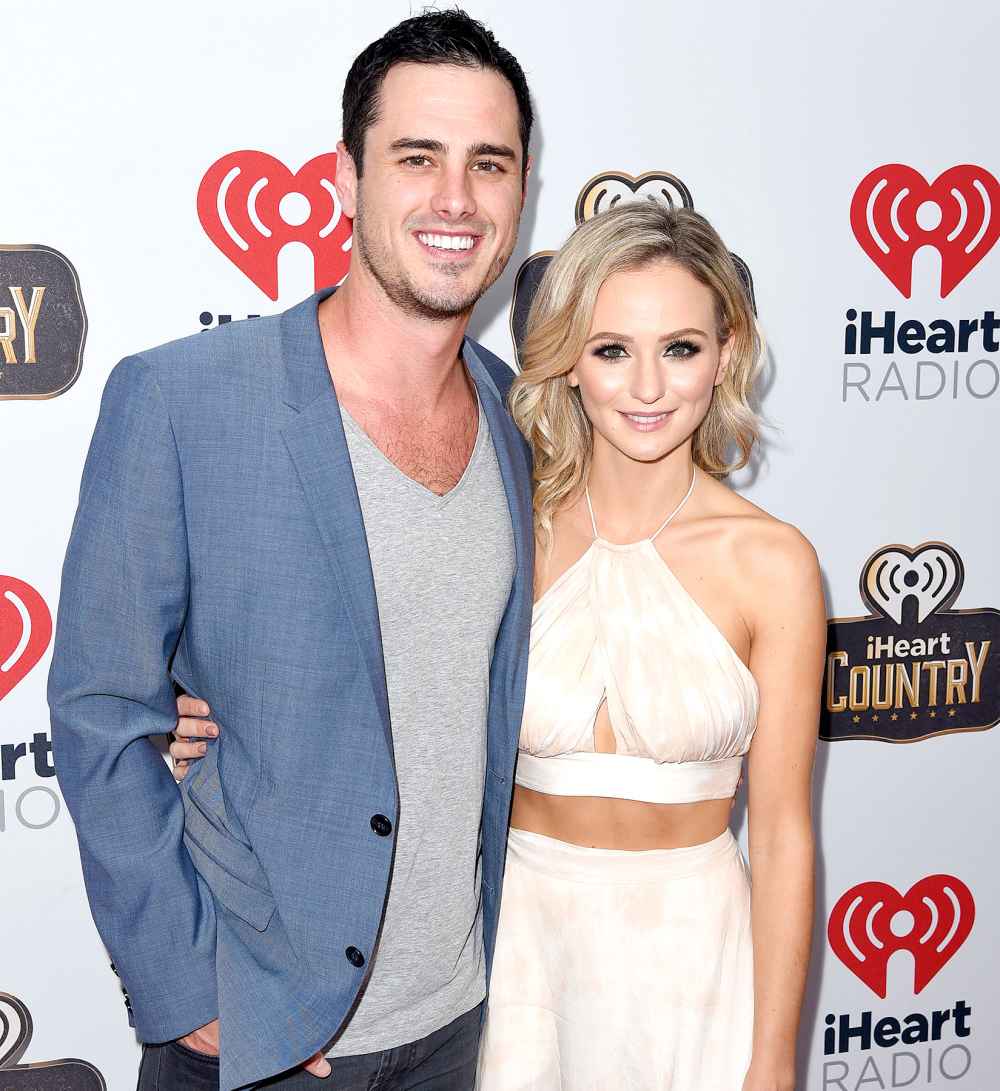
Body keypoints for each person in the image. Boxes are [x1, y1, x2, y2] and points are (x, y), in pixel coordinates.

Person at [175, 201, 825, 1090]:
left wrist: (774, 1057)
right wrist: (202, 717)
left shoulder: (773, 562)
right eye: (610, 350)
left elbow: (785, 831)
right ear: (567, 363)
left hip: (696, 958)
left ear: (726, 356)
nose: (646, 387)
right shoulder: (507, 525)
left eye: (680, 347)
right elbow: (368, 668)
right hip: (518, 953)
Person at [48, 11, 536, 1091]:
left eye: (487, 165)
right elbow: (96, 709)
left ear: (519, 193)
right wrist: (191, 992)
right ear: (345, 178)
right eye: (417, 157)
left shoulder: (519, 420)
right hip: (262, 1038)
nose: (454, 199)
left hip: (459, 1020)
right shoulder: (183, 400)